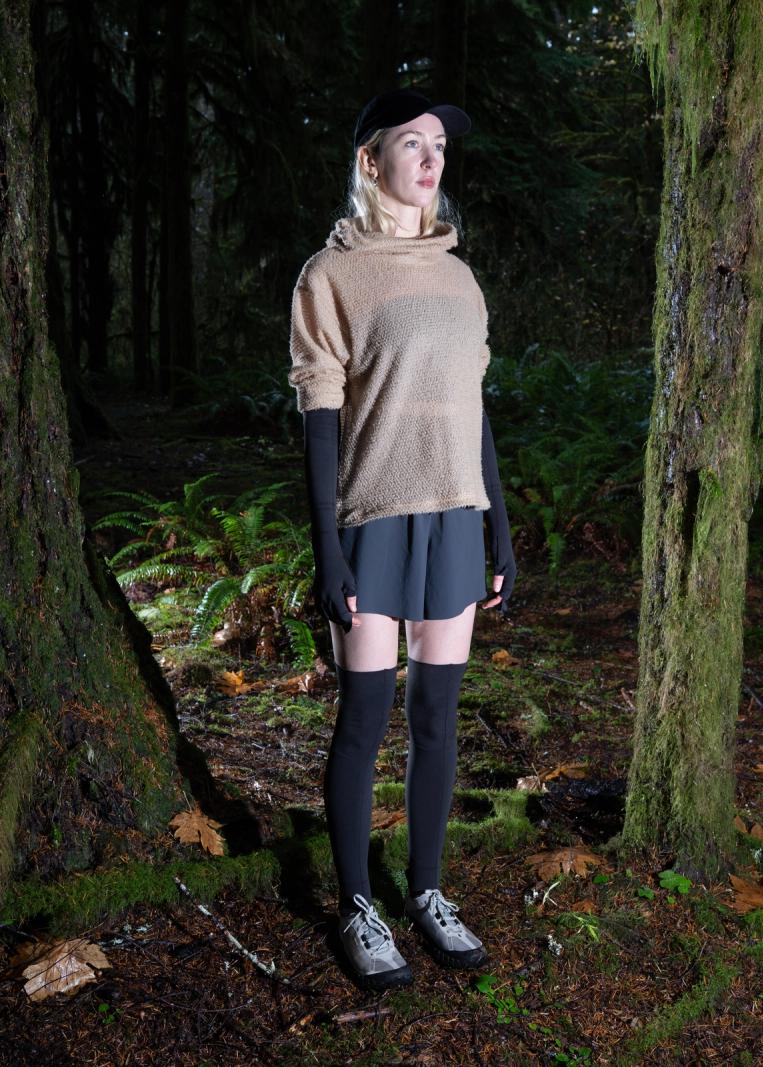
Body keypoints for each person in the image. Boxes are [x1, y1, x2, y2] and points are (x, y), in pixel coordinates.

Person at [288, 87, 517, 991]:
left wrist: (500, 530)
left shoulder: (461, 279)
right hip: (373, 518)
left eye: (440, 147)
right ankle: (357, 904)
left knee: (436, 718)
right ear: (369, 160)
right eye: (413, 143)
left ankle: (427, 889)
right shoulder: (331, 275)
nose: (431, 158)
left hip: (456, 514)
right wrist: (328, 549)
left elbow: (474, 413)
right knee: (365, 717)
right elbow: (319, 419)